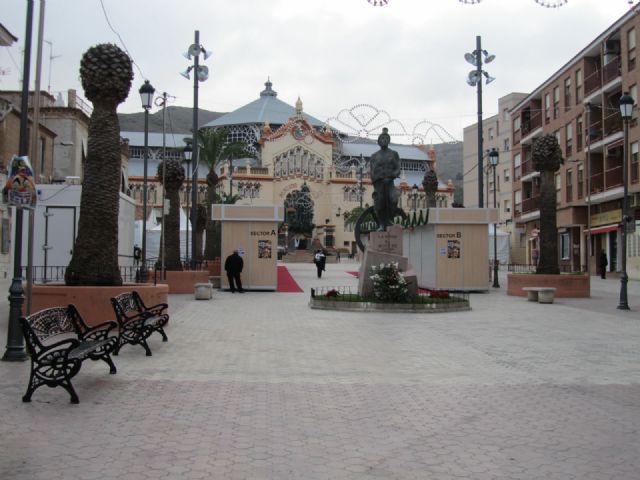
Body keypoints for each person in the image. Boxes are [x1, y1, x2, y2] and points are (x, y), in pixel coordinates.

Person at [369, 127, 401, 231]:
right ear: (378, 141)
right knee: (380, 203)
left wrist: (392, 176)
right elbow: (372, 171)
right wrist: (377, 180)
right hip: (379, 183)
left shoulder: (394, 154)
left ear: (389, 141)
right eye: (382, 138)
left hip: (390, 182)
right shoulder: (374, 156)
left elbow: (398, 168)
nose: (384, 140)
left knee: (394, 199)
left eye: (386, 138)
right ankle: (382, 224)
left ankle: (390, 219)